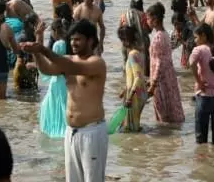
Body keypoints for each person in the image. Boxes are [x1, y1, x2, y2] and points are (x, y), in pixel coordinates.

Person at [21, 19, 108, 182]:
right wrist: (36, 51)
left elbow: (71, 67)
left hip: (92, 132)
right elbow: (46, 69)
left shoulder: (96, 63)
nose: (73, 43)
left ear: (90, 41)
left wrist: (43, 50)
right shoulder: (68, 60)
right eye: (72, 39)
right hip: (71, 131)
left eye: (78, 39)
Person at [146, 2, 185, 123]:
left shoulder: (158, 38)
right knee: (171, 106)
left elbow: (159, 62)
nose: (147, 21)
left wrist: (153, 84)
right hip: (168, 77)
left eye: (148, 18)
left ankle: (167, 137)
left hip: (161, 81)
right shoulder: (165, 34)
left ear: (155, 19)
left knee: (164, 115)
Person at [38, 18, 69, 139]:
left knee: (54, 104)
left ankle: (55, 129)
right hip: (64, 80)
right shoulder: (67, 43)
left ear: (55, 31)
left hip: (57, 79)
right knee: (62, 105)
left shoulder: (58, 44)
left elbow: (53, 63)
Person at [117, 26, 147, 132]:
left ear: (125, 40)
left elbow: (138, 77)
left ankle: (135, 147)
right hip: (138, 92)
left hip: (135, 95)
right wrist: (125, 90)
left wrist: (129, 96)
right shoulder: (138, 53)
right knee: (132, 126)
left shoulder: (133, 54)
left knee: (131, 128)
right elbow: (134, 76)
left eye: (122, 40)